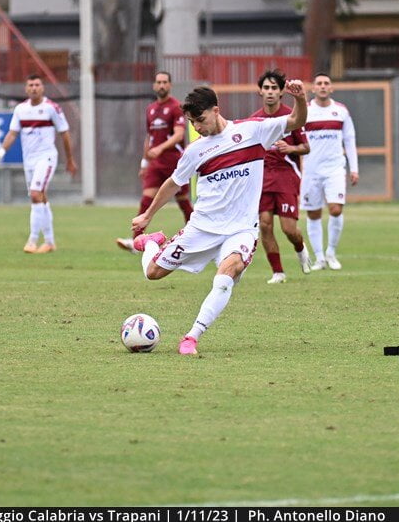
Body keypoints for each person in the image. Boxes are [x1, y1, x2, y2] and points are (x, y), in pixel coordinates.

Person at [132, 81, 308, 355]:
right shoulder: (195, 151)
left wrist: (300, 99)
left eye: (200, 120)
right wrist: (147, 215)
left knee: (227, 274)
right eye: (192, 123)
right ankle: (152, 243)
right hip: (202, 228)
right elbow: (173, 183)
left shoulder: (253, 131)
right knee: (152, 273)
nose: (198, 128)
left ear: (216, 110)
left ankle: (191, 337)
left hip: (240, 230)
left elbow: (297, 120)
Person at [0, 74, 77, 253]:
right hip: (29, 160)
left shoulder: (52, 108)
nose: (33, 88)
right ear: (26, 88)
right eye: (30, 85)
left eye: (37, 85)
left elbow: (65, 133)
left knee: (35, 194)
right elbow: (12, 134)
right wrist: (0, 153)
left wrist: (69, 160)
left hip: (46, 158)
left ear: (42, 88)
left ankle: (32, 241)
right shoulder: (20, 109)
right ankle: (50, 242)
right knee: (41, 197)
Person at [116, 71, 193, 253]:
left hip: (174, 162)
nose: (161, 85)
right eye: (158, 82)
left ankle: (196, 238)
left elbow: (179, 134)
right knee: (146, 200)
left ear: (170, 85)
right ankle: (136, 242)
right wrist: (144, 162)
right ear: (154, 85)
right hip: (156, 164)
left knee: (183, 201)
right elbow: (149, 138)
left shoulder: (175, 107)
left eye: (165, 82)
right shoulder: (150, 109)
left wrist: (161, 148)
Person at [250, 69, 312, 284]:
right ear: (260, 91)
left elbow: (306, 147)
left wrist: (290, 148)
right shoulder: (254, 121)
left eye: (274, 88)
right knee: (265, 224)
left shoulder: (290, 116)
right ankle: (278, 272)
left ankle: (300, 247)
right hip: (263, 177)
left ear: (281, 92)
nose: (270, 92)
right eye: (266, 88)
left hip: (286, 176)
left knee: (289, 229)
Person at [302, 72, 359, 271]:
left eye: (327, 83)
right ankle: (319, 258)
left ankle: (331, 253)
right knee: (313, 214)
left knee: (336, 209)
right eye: (319, 83)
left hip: (335, 168)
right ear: (313, 88)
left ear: (331, 88)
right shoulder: (305, 111)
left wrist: (354, 169)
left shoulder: (341, 111)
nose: (323, 86)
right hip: (310, 171)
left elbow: (350, 140)